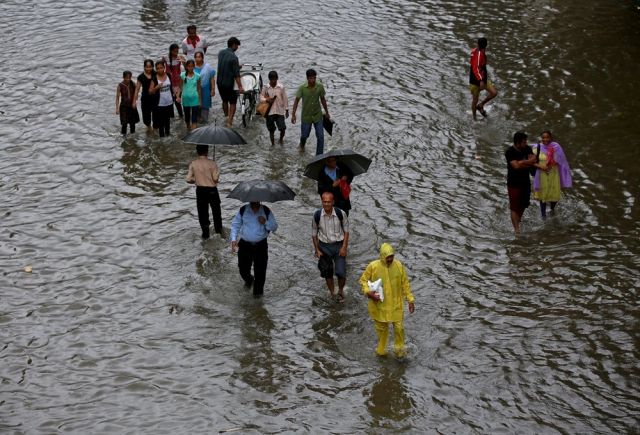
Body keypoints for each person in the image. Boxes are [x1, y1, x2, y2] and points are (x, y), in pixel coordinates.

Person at [359, 243, 415, 358]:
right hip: (380, 306)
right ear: (382, 257)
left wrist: (410, 300)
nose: (390, 259)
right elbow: (363, 280)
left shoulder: (399, 266)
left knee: (399, 329)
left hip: (396, 305)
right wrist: (368, 292)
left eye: (392, 256)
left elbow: (405, 284)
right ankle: (381, 352)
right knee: (382, 331)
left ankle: (399, 351)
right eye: (388, 257)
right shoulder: (373, 266)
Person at [230, 201, 278, 298]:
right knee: (243, 270)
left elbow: (274, 227)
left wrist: (265, 222)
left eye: (256, 200)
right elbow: (235, 225)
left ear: (259, 199)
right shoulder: (243, 210)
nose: (254, 202)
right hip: (244, 245)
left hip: (261, 246)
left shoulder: (266, 210)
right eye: (252, 200)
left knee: (260, 274)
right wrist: (234, 239)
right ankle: (250, 280)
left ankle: (257, 303)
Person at [311, 192, 349, 302]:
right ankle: (332, 293)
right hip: (324, 246)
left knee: (341, 272)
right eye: (324, 202)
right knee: (327, 272)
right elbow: (314, 234)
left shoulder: (340, 213)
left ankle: (341, 290)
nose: (326, 204)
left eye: (328, 202)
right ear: (322, 202)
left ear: (333, 202)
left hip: (338, 245)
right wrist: (317, 249)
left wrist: (344, 247)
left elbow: (346, 231)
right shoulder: (317, 215)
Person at [532, 131, 573, 217]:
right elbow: (531, 162)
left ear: (551, 138)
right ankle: (543, 215)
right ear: (541, 138)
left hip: (554, 174)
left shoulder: (556, 147)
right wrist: (541, 167)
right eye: (543, 137)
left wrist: (553, 163)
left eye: (547, 137)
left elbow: (562, 161)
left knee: (554, 194)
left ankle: (552, 209)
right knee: (542, 195)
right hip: (541, 174)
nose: (545, 139)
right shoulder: (536, 148)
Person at [506, 131, 540, 234]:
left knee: (524, 204)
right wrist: (527, 163)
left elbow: (534, 159)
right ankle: (517, 231)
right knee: (514, 207)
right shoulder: (509, 152)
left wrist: (521, 162)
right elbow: (516, 166)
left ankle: (517, 221)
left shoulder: (527, 148)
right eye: (524, 142)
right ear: (518, 143)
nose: (526, 143)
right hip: (513, 183)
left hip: (525, 182)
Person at [186, 145, 222, 239]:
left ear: (197, 152)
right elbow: (215, 179)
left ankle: (205, 234)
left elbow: (188, 179)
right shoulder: (212, 163)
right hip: (212, 191)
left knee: (202, 214)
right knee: (216, 213)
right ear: (207, 151)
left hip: (200, 191)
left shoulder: (193, 163)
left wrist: (197, 180)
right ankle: (219, 232)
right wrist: (218, 172)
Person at [291, 69, 330, 155]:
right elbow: (296, 101)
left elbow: (323, 99)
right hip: (306, 116)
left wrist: (327, 112)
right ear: (307, 78)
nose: (313, 80)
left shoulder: (319, 86)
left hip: (317, 115)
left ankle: (319, 156)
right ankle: (302, 144)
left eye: (314, 78)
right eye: (311, 78)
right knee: (304, 136)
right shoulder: (302, 88)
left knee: (320, 137)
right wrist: (293, 114)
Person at [217, 37, 244, 127]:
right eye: (237, 45)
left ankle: (226, 116)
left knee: (224, 100)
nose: (237, 48)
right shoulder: (234, 57)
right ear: (233, 45)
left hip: (219, 82)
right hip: (229, 84)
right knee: (233, 102)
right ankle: (230, 121)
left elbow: (225, 64)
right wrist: (240, 87)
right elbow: (236, 75)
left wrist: (237, 66)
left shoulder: (221, 53)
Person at [469, 37, 497, 120]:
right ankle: (474, 118)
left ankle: (480, 105)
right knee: (475, 100)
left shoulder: (476, 51)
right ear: (486, 45)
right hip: (476, 81)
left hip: (482, 78)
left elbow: (472, 63)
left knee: (494, 93)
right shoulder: (479, 54)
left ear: (478, 44)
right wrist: (480, 80)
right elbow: (476, 68)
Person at [259, 70, 288, 146]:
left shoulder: (281, 87)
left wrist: (287, 109)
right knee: (271, 130)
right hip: (269, 112)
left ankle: (281, 139)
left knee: (283, 128)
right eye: (272, 79)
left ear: (277, 78)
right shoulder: (266, 87)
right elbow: (261, 97)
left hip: (279, 111)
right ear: (269, 79)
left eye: (275, 79)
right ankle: (273, 144)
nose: (273, 81)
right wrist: (266, 99)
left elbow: (285, 98)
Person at [150, 59, 174, 137]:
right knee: (161, 123)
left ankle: (168, 137)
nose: (160, 69)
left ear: (164, 67)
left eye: (161, 67)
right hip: (159, 104)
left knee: (167, 121)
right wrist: (156, 87)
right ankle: (162, 138)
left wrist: (176, 95)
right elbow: (150, 92)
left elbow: (172, 87)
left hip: (169, 102)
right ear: (156, 69)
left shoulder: (168, 75)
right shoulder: (154, 78)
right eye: (157, 68)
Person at [133, 59, 158, 131]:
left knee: (156, 117)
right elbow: (137, 89)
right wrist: (134, 101)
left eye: (150, 67)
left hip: (155, 98)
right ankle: (149, 130)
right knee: (146, 119)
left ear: (153, 67)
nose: (148, 68)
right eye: (147, 67)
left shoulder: (156, 74)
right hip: (145, 99)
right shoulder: (140, 77)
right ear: (144, 67)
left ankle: (155, 131)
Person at [178, 59, 201, 130]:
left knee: (194, 118)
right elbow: (180, 87)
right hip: (185, 99)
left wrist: (200, 100)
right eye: (189, 66)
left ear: (194, 67)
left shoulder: (198, 76)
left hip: (195, 99)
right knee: (187, 117)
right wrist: (178, 96)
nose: (190, 68)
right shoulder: (182, 75)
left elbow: (199, 89)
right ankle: (188, 128)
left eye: (192, 66)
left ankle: (194, 132)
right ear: (186, 67)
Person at [163, 43, 185, 118]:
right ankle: (171, 117)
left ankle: (181, 116)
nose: (176, 53)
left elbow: (187, 67)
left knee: (177, 101)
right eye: (174, 51)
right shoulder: (165, 58)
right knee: (170, 101)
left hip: (178, 81)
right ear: (171, 51)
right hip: (169, 81)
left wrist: (183, 61)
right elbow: (160, 66)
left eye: (177, 51)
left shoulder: (180, 57)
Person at [193, 49, 215, 123]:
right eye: (196, 57)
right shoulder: (192, 67)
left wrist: (213, 89)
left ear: (202, 58)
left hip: (205, 89)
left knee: (205, 107)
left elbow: (212, 78)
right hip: (195, 90)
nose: (197, 59)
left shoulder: (208, 67)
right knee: (196, 107)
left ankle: (205, 123)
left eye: (199, 57)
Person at [115, 71, 139, 136]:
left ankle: (133, 136)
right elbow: (117, 97)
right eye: (126, 78)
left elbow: (137, 91)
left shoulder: (133, 83)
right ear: (123, 77)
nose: (128, 79)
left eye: (129, 78)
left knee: (132, 123)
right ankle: (123, 137)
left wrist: (135, 101)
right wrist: (117, 108)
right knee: (124, 124)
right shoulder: (120, 85)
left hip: (132, 106)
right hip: (123, 107)